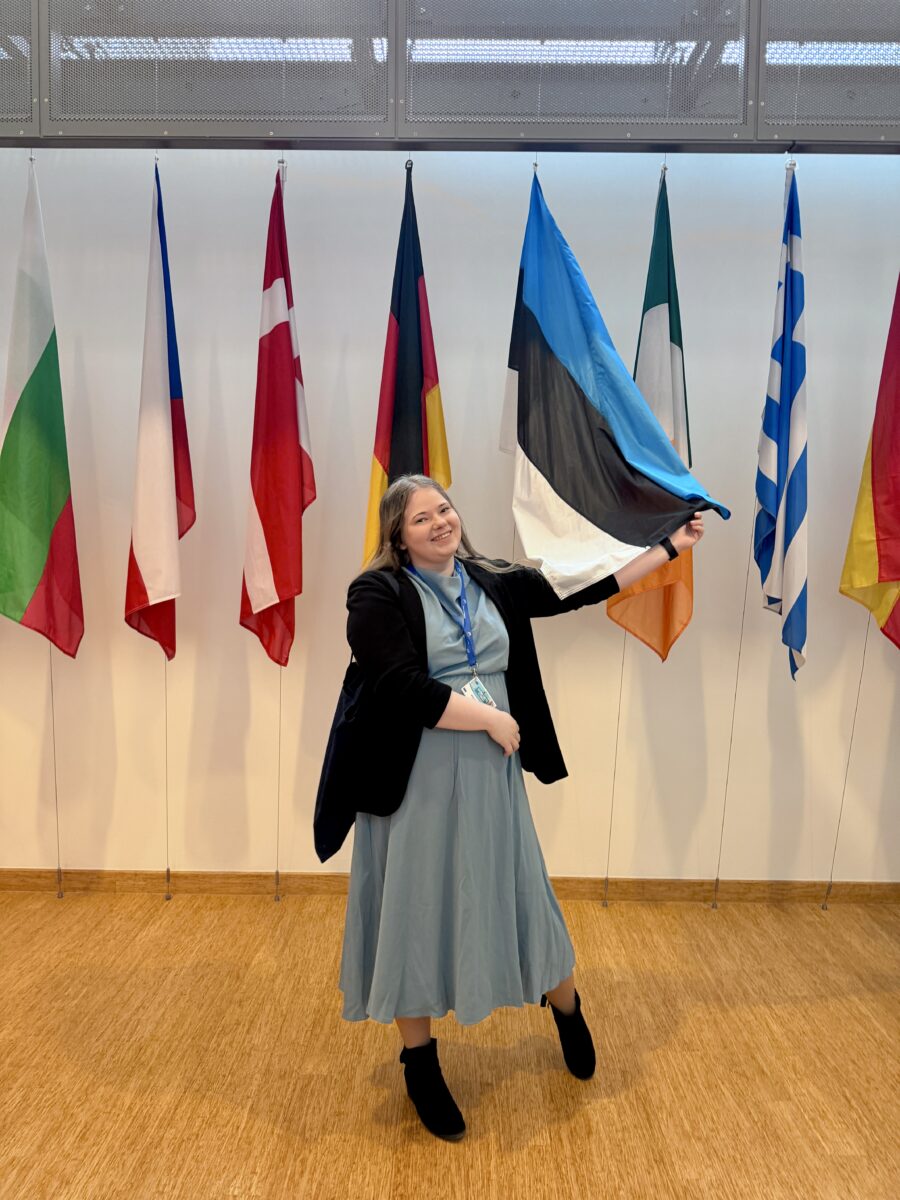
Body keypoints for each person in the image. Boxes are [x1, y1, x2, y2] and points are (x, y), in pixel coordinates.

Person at [321, 474, 705, 1142]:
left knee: (522, 893)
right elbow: (400, 685)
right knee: (414, 909)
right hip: (411, 778)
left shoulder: (490, 578)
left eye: (444, 509)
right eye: (420, 518)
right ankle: (420, 1063)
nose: (439, 522)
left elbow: (580, 587)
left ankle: (567, 1007)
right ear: (398, 536)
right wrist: (491, 720)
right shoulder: (376, 592)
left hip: (488, 777)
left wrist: (669, 547)